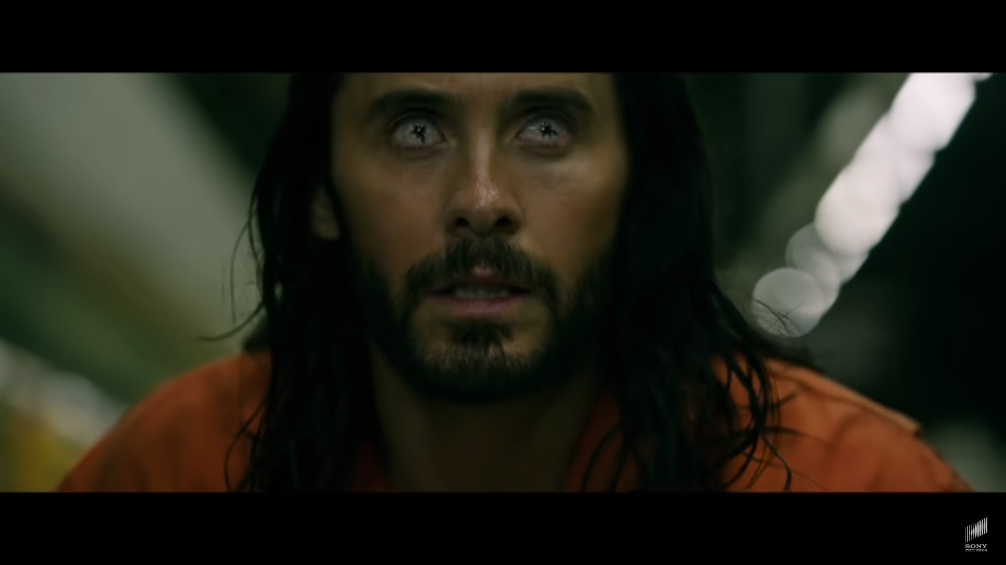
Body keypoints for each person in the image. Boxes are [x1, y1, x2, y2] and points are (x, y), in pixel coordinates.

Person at [56, 73, 971, 492]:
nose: (482, 201)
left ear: (636, 189)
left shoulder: (854, 481)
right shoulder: (174, 464)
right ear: (321, 194)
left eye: (546, 130)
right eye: (416, 130)